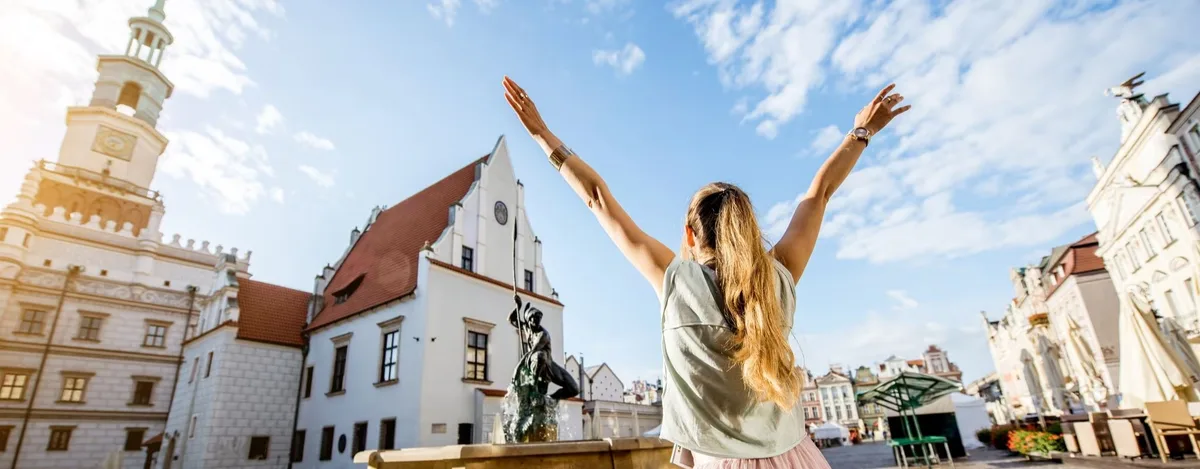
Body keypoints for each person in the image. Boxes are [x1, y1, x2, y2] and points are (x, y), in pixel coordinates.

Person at [502, 76, 910, 468]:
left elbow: (597, 198)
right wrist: (860, 133)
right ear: (749, 232)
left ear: (689, 234)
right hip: (797, 458)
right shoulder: (779, 277)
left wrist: (542, 135)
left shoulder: (676, 280)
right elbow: (818, 195)